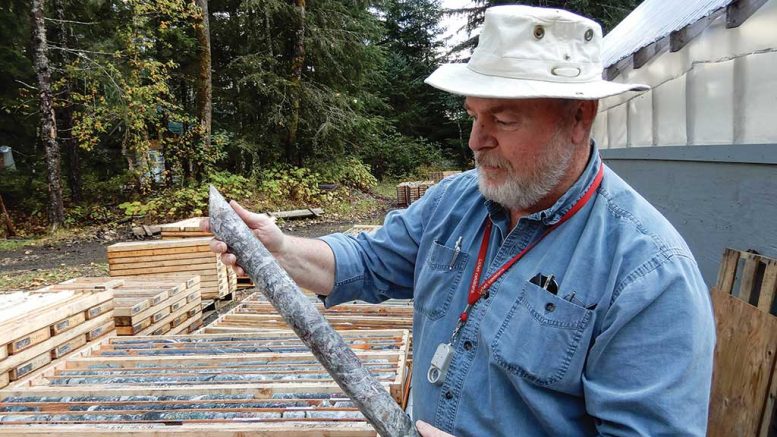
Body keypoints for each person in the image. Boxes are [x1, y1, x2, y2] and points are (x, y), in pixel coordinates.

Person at [204, 5, 716, 436]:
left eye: (503, 119)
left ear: (577, 119)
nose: (476, 140)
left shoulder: (648, 276)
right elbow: (366, 261)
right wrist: (281, 250)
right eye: (474, 114)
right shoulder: (457, 201)